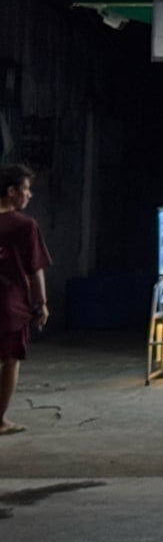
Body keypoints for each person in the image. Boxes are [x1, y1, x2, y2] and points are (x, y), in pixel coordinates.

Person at [0, 164, 52, 436]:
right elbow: (35, 268)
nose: (29, 195)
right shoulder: (25, 226)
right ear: (12, 191)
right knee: (10, 360)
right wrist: (40, 303)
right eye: (26, 189)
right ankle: (0, 421)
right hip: (10, 306)